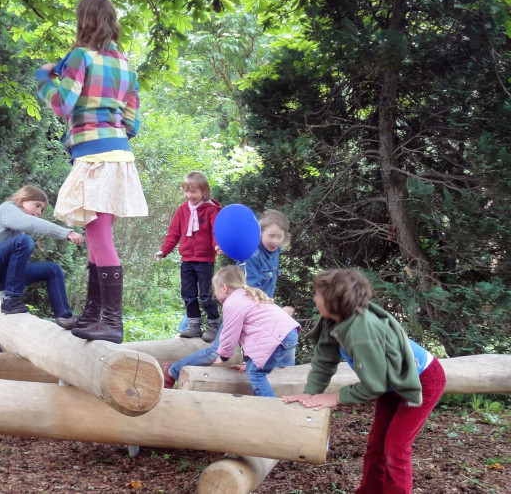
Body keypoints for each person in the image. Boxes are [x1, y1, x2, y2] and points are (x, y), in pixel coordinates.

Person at [36, 0, 147, 344]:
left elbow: (63, 104)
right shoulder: (126, 64)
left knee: (99, 239)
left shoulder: (81, 57)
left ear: (83, 20)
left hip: (95, 158)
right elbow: (133, 123)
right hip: (119, 155)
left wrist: (44, 78)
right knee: (98, 242)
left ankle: (112, 323)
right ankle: (92, 316)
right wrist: (110, 127)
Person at [282, 269, 446, 494]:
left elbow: (375, 385)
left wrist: (336, 397)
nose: (313, 298)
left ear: (333, 300)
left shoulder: (362, 330)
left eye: (317, 294)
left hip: (421, 381)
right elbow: (324, 361)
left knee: (395, 450)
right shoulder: (333, 321)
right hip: (391, 382)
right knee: (376, 447)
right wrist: (310, 393)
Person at [163, 208, 295, 388]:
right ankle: (172, 371)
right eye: (271, 236)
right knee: (215, 351)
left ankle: (285, 389)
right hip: (241, 309)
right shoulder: (251, 253)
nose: (275, 241)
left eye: (279, 237)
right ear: (259, 233)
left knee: (275, 346)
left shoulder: (274, 253)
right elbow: (250, 286)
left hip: (260, 311)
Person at [0, 186, 83, 320]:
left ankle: (65, 318)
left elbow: (12, 271)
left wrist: (5, 306)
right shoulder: (7, 209)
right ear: (22, 200)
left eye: (42, 209)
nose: (39, 212)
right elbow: (31, 223)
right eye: (37, 205)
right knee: (24, 241)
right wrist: (65, 232)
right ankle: (12, 300)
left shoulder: (17, 233)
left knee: (53, 270)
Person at [207, 265, 300, 397]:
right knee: (257, 370)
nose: (214, 294)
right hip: (288, 333)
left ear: (224, 288)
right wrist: (250, 363)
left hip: (277, 338)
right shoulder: (250, 295)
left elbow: (230, 334)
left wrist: (224, 356)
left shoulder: (232, 303)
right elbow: (258, 337)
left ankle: (269, 409)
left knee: (256, 374)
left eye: (214, 289)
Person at [154, 171, 222, 341]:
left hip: (205, 260)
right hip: (187, 260)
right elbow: (173, 233)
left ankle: (214, 324)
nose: (189, 195)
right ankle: (194, 325)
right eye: (186, 191)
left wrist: (217, 245)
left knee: (206, 294)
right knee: (188, 293)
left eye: (193, 192)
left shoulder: (211, 210)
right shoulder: (182, 210)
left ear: (204, 192)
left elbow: (217, 231)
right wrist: (164, 250)